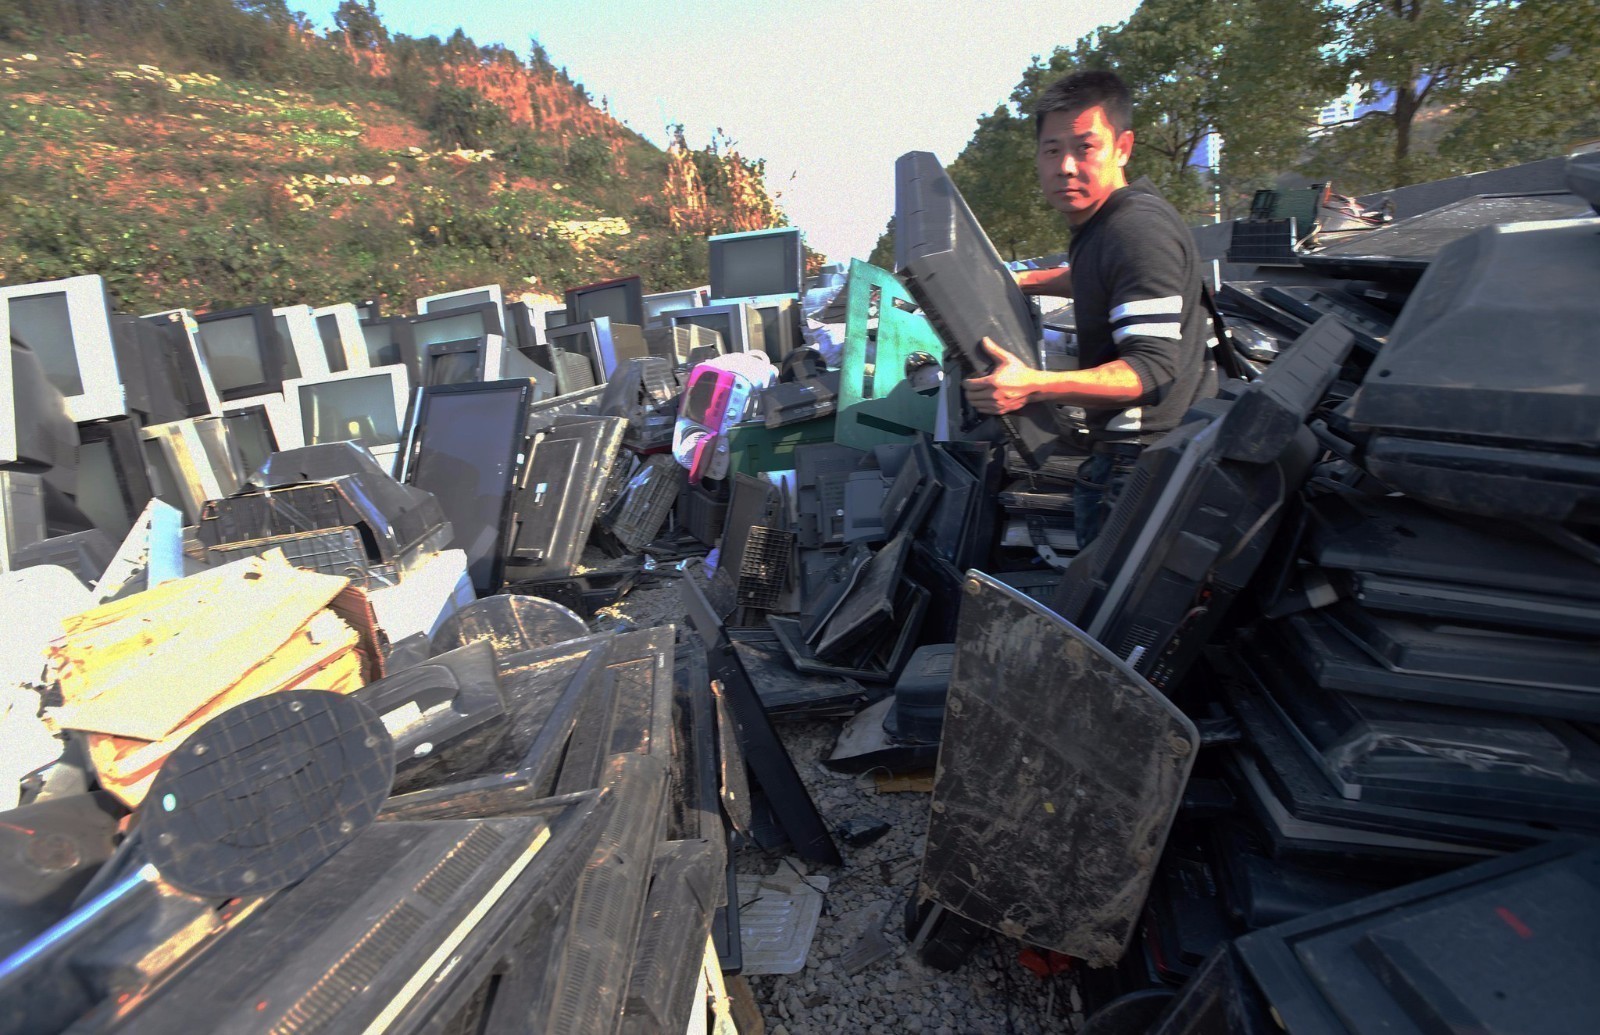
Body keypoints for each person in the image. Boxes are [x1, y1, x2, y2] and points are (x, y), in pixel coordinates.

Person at [962, 69, 1214, 548]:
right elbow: (1099, 276)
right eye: (1052, 150)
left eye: (1085, 147)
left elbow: (1151, 371)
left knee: (1109, 593)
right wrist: (1019, 281)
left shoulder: (1134, 231)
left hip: (1141, 466)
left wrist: (1033, 385)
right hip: (1142, 454)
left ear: (1123, 147)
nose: (1066, 166)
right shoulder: (1108, 220)